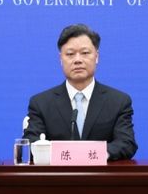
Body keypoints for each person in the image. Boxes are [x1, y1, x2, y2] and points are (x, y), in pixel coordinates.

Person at [23, 24, 137, 161]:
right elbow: (31, 143)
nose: (78, 60)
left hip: (101, 174)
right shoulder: (41, 103)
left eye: (85, 53)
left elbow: (126, 143)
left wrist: (95, 155)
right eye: (70, 54)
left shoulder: (118, 101)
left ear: (97, 57)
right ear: (61, 59)